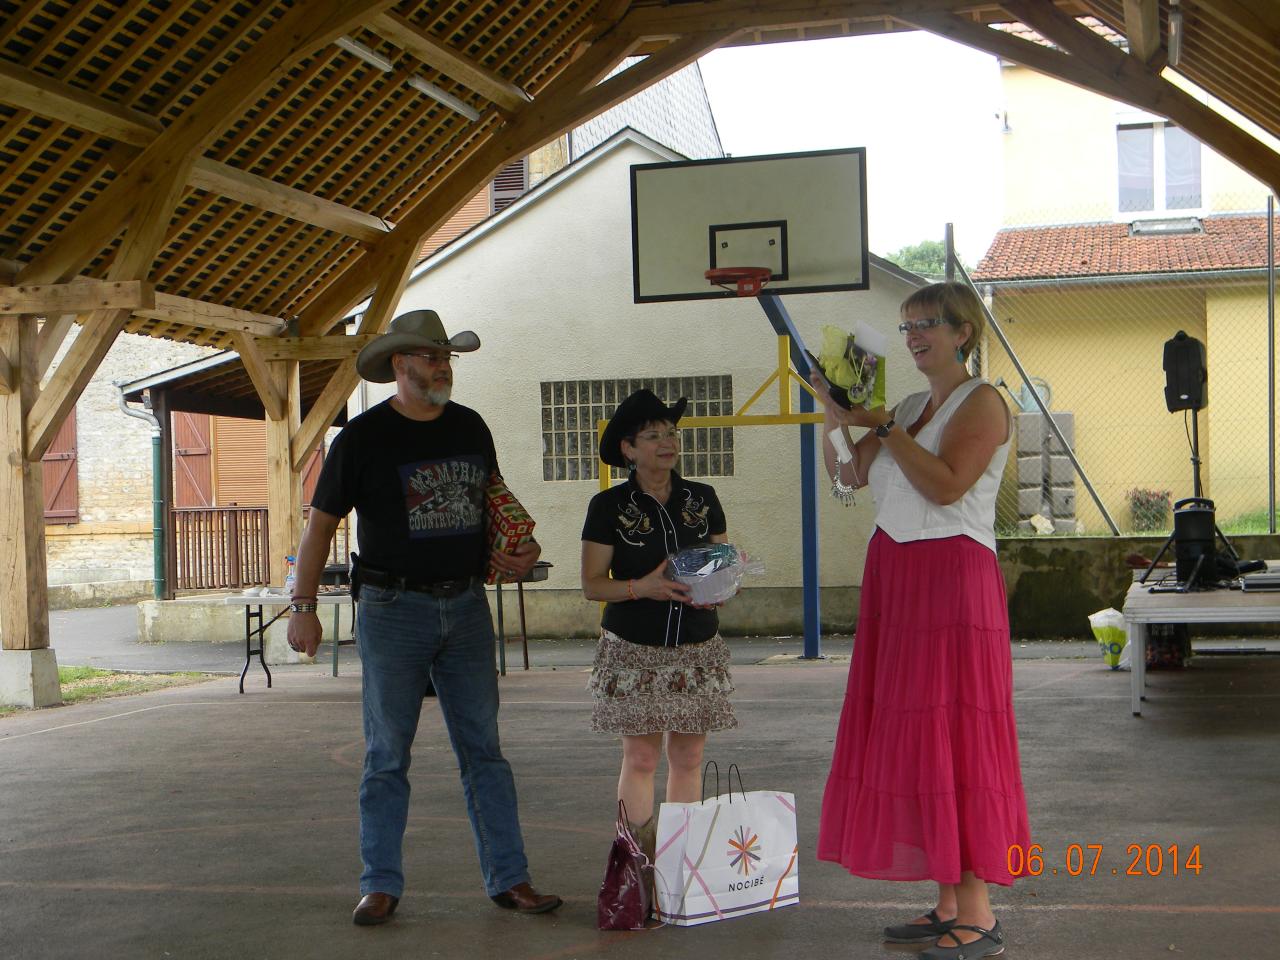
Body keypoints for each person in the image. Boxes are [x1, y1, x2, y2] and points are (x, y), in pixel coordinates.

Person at [286, 309, 561, 927]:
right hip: (391, 608)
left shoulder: (470, 427)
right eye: (433, 358)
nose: (443, 367)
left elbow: (496, 505)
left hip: (465, 605)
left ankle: (510, 879)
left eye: (447, 358)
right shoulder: (360, 439)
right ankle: (379, 884)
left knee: (484, 751)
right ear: (400, 365)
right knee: (387, 754)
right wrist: (303, 607)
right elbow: (320, 528)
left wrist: (525, 548)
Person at [810, 283, 1030, 960]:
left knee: (955, 734)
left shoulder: (984, 401)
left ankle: (980, 914)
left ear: (962, 332)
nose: (911, 337)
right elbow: (848, 479)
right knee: (913, 736)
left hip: (953, 580)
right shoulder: (905, 406)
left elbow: (944, 485)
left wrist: (882, 427)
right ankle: (945, 903)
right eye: (905, 327)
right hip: (897, 578)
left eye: (925, 324)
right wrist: (832, 416)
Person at [580, 389, 737, 884]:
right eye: (653, 436)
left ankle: (682, 869)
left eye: (671, 433)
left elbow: (722, 563)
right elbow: (591, 585)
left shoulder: (702, 497)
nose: (667, 443)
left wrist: (723, 584)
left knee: (689, 757)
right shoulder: (608, 505)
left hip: (697, 646)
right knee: (642, 756)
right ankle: (635, 869)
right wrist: (640, 586)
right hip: (634, 648)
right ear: (628, 449)